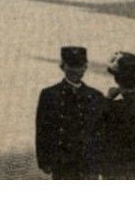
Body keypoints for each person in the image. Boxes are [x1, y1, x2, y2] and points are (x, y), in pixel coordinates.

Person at [35, 45, 104, 179]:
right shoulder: (50, 94)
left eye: (79, 66)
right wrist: (44, 160)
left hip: (87, 163)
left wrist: (100, 161)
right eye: (70, 66)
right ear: (62, 66)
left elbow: (100, 130)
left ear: (85, 67)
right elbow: (43, 129)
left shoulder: (95, 96)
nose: (75, 71)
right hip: (63, 161)